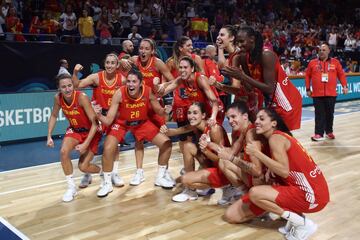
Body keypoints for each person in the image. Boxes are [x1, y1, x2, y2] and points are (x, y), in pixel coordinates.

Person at [224, 108, 329, 240]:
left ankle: (302, 223)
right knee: (234, 212)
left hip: (312, 195)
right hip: (315, 190)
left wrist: (258, 154)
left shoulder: (275, 138)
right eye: (256, 118)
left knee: (255, 193)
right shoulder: (279, 136)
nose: (256, 121)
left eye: (262, 119)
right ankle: (294, 219)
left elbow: (283, 171)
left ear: (273, 123)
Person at [95, 67, 174, 197]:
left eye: (134, 82)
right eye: (128, 81)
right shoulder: (119, 93)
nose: (130, 84)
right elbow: (108, 121)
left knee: (166, 143)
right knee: (108, 148)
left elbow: (158, 111)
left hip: (142, 123)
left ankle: (160, 177)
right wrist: (98, 115)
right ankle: (107, 183)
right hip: (122, 124)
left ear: (140, 83)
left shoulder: (148, 91)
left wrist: (165, 110)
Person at [221, 26, 302, 131]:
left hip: (285, 100)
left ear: (252, 39)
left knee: (280, 139)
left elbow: (269, 88)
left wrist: (242, 76)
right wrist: (239, 74)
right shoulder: (245, 57)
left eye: (242, 41)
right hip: (270, 100)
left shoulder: (266, 55)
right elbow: (250, 88)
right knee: (268, 137)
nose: (239, 45)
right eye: (237, 42)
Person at [121, 38, 175, 186]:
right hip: (139, 106)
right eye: (141, 48)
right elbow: (121, 62)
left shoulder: (158, 63)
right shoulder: (133, 60)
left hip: (156, 106)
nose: (143, 51)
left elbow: (173, 81)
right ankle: (139, 172)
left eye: (146, 49)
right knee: (139, 139)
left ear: (152, 51)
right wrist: (122, 62)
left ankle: (163, 172)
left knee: (164, 140)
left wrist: (163, 84)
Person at [72, 53, 126, 188]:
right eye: (107, 62)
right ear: (104, 64)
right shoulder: (96, 77)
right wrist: (75, 72)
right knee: (87, 143)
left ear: (117, 65)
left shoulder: (123, 80)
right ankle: (87, 173)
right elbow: (77, 85)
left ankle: (114, 173)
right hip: (97, 116)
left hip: (114, 116)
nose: (109, 65)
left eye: (113, 63)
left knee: (115, 145)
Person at [47, 74, 102, 202]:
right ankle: (71, 188)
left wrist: (85, 144)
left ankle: (103, 172)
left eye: (70, 85)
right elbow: (54, 115)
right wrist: (49, 135)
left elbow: (95, 124)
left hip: (91, 132)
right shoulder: (58, 98)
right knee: (63, 152)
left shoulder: (82, 98)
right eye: (63, 87)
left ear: (73, 85)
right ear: (59, 88)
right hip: (74, 130)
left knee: (83, 167)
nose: (67, 89)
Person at [160, 102, 230, 202]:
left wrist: (205, 151)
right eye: (189, 113)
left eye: (195, 113)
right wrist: (164, 126)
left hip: (224, 169)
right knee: (188, 146)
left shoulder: (214, 129)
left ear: (204, 115)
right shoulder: (195, 126)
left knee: (184, 179)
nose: (191, 116)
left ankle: (228, 186)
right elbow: (173, 132)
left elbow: (222, 160)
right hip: (211, 162)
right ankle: (191, 191)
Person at [204, 101, 267, 205]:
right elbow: (231, 151)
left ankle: (256, 199)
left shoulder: (250, 134)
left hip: (264, 179)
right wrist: (208, 143)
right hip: (260, 176)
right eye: (228, 118)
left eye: (233, 117)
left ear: (245, 116)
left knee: (228, 160)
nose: (230, 121)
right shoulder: (245, 131)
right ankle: (246, 195)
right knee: (224, 161)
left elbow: (257, 171)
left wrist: (231, 158)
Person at [305, 43, 348, 141]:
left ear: (329, 51)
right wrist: (308, 89)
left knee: (329, 114)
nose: (321, 52)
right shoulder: (312, 63)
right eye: (320, 50)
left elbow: (341, 75)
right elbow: (307, 76)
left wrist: (344, 86)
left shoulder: (335, 62)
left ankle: (329, 132)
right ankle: (318, 133)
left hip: (331, 93)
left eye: (324, 50)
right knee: (319, 114)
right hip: (317, 94)